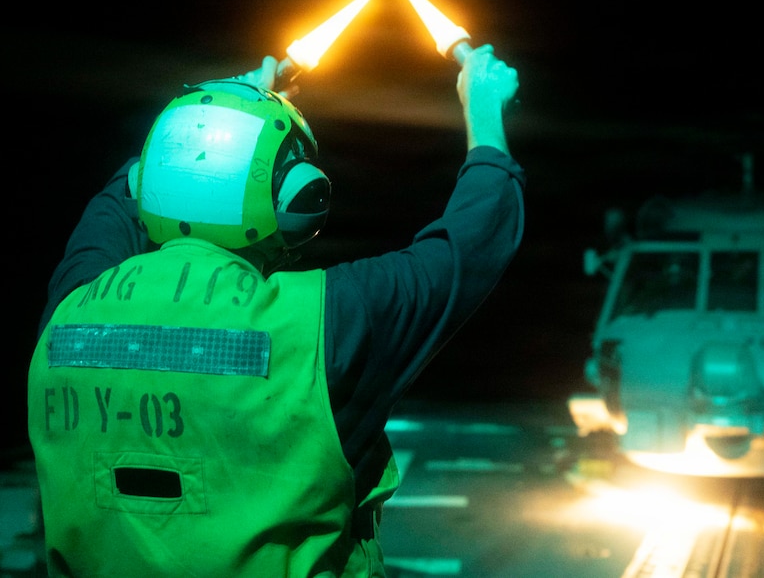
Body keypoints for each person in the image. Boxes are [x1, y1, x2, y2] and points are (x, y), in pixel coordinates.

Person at [28, 43, 525, 577]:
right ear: (296, 201)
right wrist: (484, 107)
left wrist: (213, 111)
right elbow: (472, 243)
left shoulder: (70, 309)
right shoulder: (326, 322)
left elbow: (117, 202)